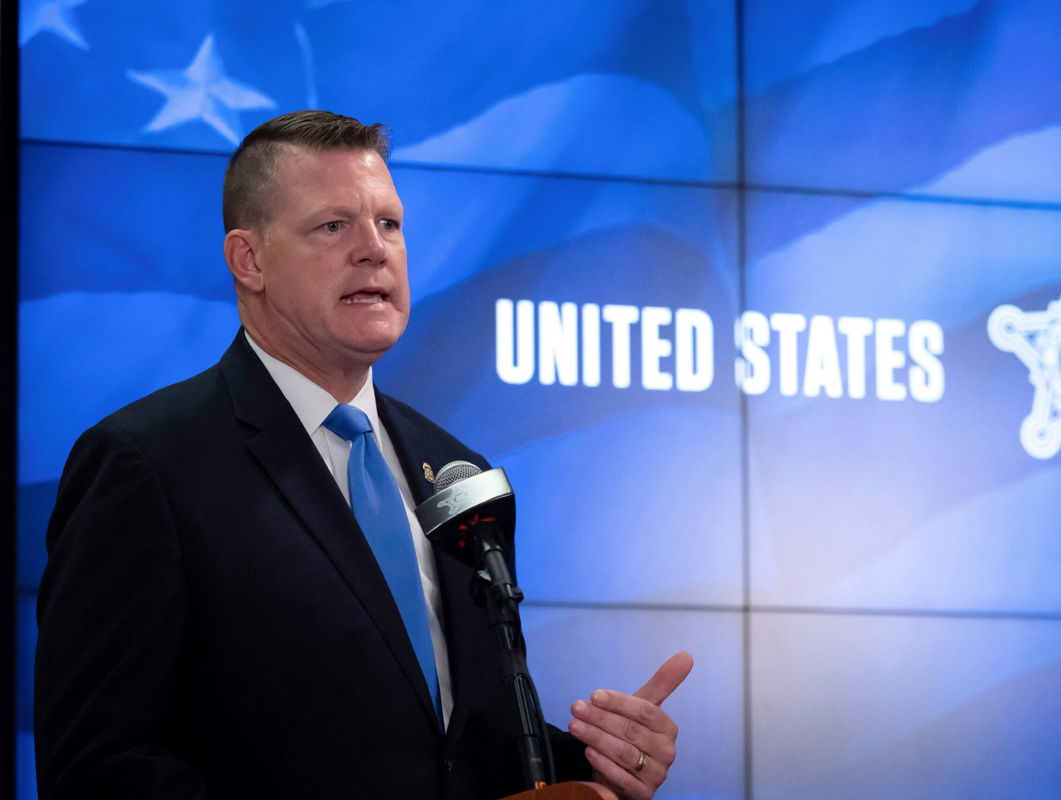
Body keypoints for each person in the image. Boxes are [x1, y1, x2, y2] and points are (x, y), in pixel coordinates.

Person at [34, 110, 692, 800]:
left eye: (389, 224)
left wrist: (596, 760)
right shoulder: (149, 464)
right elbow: (97, 769)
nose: (375, 249)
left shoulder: (457, 471)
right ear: (248, 259)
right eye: (332, 226)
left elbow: (457, 748)